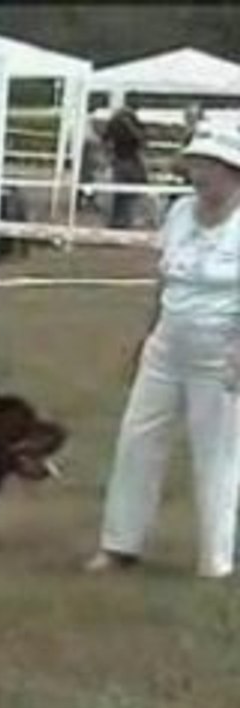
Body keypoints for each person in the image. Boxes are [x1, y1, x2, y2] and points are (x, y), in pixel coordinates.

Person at [86, 122, 240, 580]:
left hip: (221, 352)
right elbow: (163, 279)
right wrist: (144, 338)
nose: (199, 174)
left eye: (209, 166)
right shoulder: (178, 214)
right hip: (167, 347)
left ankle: (215, 559)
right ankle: (118, 546)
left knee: (218, 454)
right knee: (137, 439)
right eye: (195, 164)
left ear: (233, 170)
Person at [102, 102, 148, 229]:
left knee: (122, 192)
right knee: (129, 191)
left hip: (122, 160)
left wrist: (109, 156)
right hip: (129, 160)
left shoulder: (115, 121)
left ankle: (119, 220)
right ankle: (125, 219)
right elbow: (142, 140)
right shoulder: (131, 122)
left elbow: (105, 140)